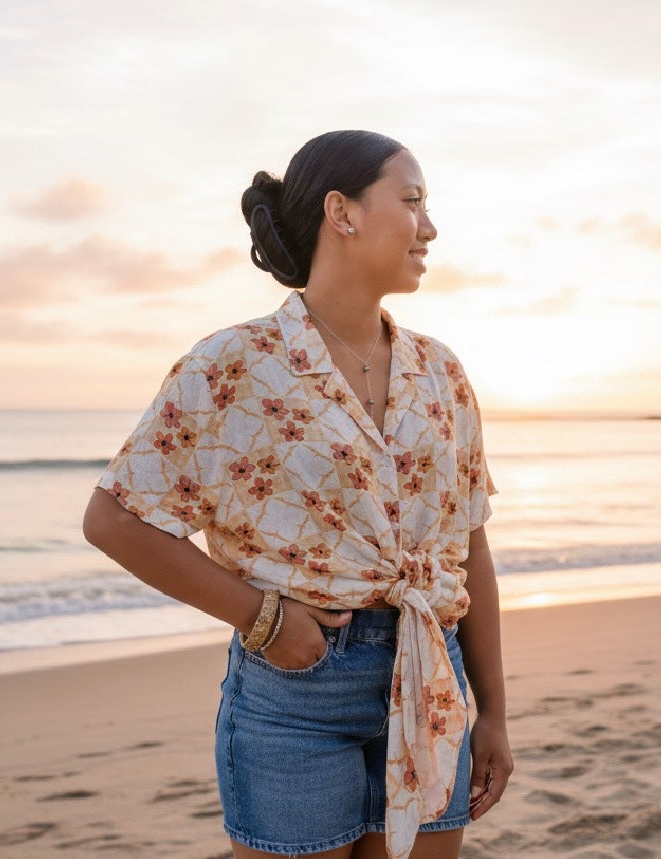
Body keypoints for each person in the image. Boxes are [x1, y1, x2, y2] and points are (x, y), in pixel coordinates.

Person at [82, 130, 512, 859]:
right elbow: (115, 518)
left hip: (432, 677)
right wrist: (262, 617)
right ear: (341, 213)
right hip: (296, 691)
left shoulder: (442, 372)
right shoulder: (234, 363)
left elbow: (467, 546)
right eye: (411, 202)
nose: (429, 226)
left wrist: (494, 712)